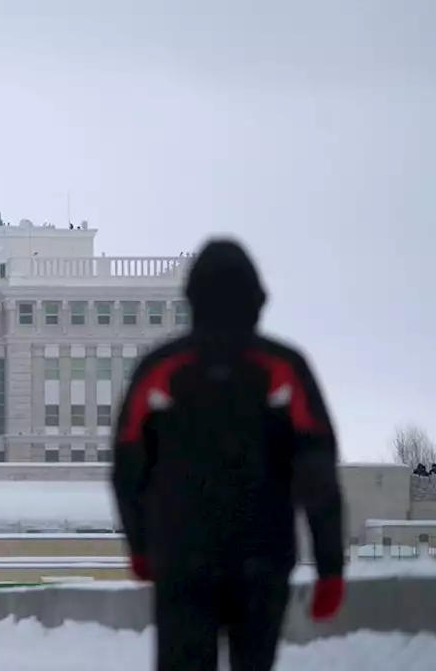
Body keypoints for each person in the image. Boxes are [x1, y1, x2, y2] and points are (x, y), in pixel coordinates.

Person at [110, 238, 346, 671]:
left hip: (182, 561)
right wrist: (330, 565)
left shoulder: (161, 368)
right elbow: (318, 472)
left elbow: (127, 464)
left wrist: (140, 545)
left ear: (192, 298)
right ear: (256, 299)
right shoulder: (284, 367)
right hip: (263, 560)